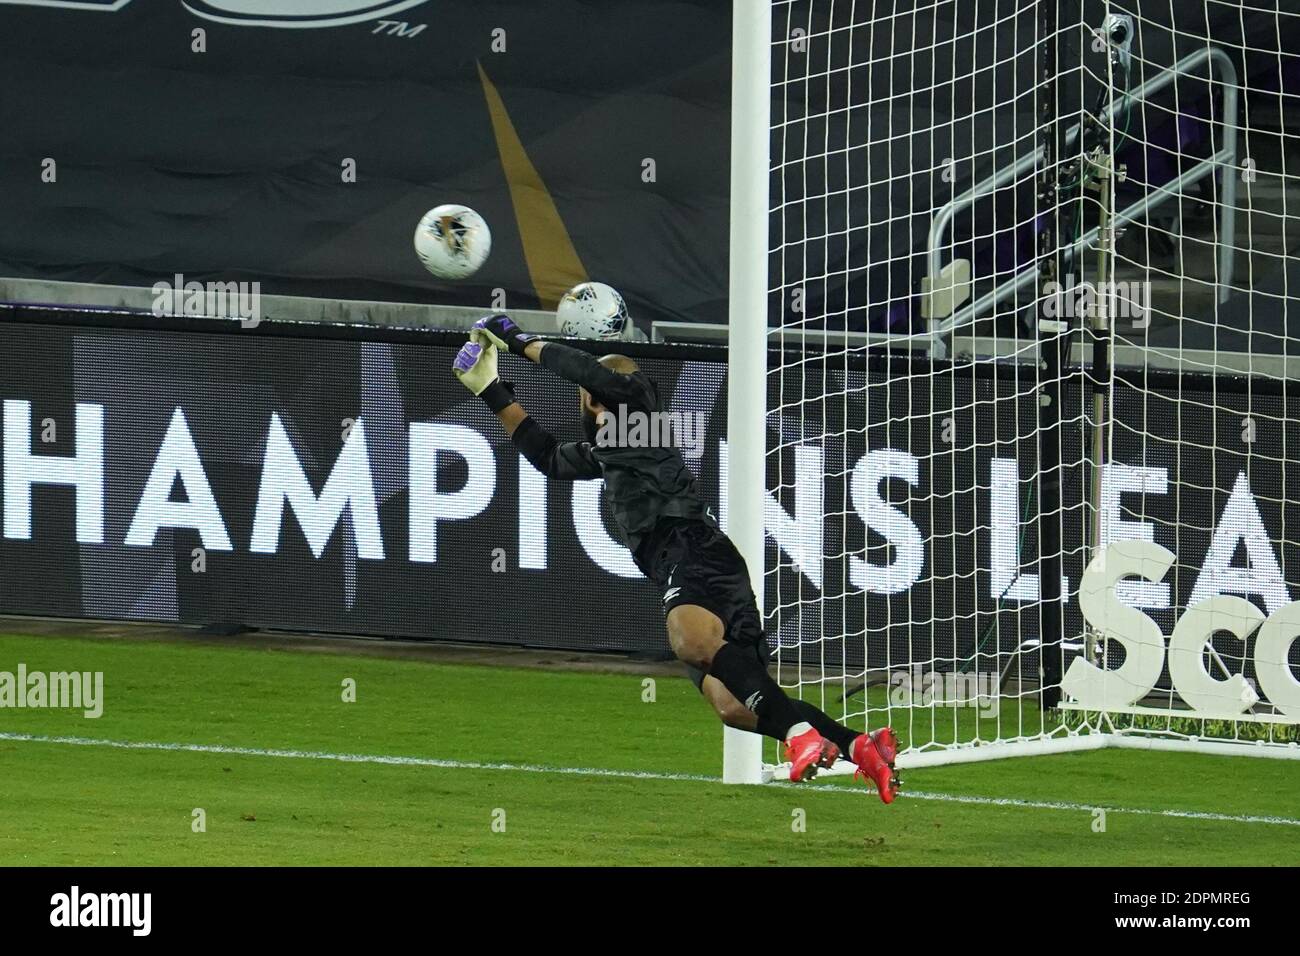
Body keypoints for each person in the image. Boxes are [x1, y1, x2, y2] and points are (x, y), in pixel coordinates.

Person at [453, 313, 898, 802]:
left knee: (689, 642)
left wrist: (518, 341)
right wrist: (491, 390)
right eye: (590, 402)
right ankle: (860, 747)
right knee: (732, 706)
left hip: (692, 549)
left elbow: (594, 375)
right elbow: (549, 457)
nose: (594, 407)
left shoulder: (641, 409)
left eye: (597, 397)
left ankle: (800, 739)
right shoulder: (611, 451)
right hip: (701, 567)